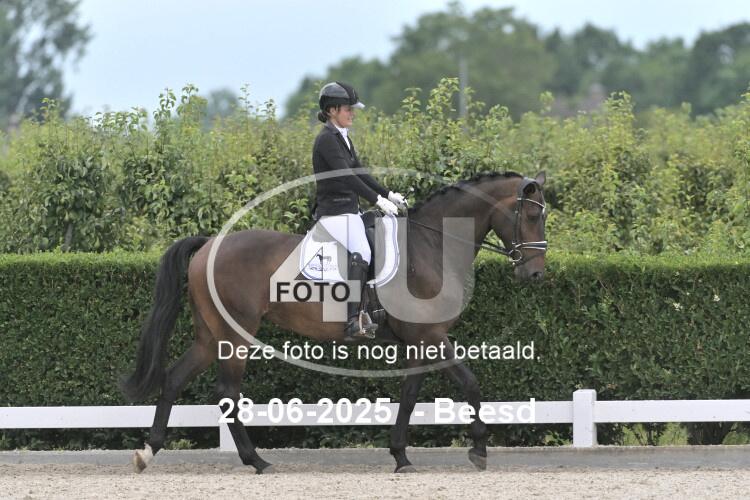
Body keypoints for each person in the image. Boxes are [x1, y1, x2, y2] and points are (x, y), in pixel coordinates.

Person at [311, 81, 407, 339]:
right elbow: (347, 177)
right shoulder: (327, 140)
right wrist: (376, 200)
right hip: (334, 212)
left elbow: (360, 172)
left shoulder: (342, 137)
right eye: (348, 109)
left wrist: (388, 194)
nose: (352, 113)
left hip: (348, 210)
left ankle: (373, 306)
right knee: (362, 251)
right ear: (332, 111)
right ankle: (352, 320)